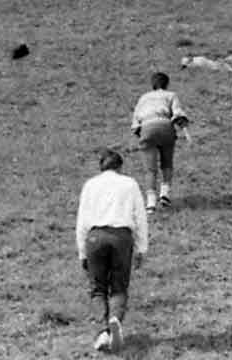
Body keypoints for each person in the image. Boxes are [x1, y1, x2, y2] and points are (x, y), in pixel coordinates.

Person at [76, 149, 149, 353]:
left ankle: (102, 332)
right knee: (119, 287)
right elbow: (140, 217)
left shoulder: (90, 185)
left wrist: (82, 250)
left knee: (97, 288)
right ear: (120, 166)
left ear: (101, 167)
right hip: (121, 237)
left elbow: (82, 220)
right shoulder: (130, 184)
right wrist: (142, 248)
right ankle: (115, 319)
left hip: (95, 237)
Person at [130, 72, 192, 214]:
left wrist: (141, 134)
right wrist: (184, 128)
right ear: (166, 84)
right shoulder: (171, 95)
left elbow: (135, 122)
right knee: (167, 163)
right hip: (165, 127)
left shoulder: (143, 98)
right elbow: (177, 113)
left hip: (147, 128)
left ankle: (150, 203)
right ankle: (165, 194)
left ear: (152, 84)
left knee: (150, 169)